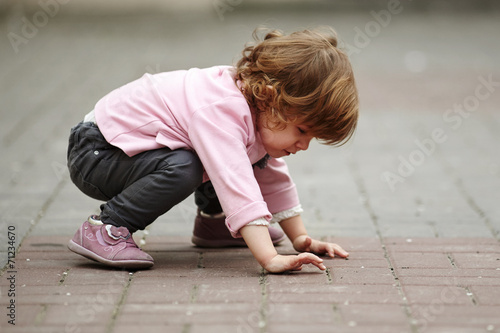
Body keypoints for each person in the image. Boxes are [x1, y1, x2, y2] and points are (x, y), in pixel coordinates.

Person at [66, 27, 358, 273]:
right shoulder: (222, 109)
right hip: (97, 153)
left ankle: (216, 224)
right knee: (186, 166)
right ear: (272, 98)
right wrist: (270, 258)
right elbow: (235, 181)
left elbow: (271, 179)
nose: (304, 145)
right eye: (302, 131)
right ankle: (106, 227)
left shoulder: (258, 111)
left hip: (121, 151)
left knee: (245, 159)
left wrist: (302, 239)